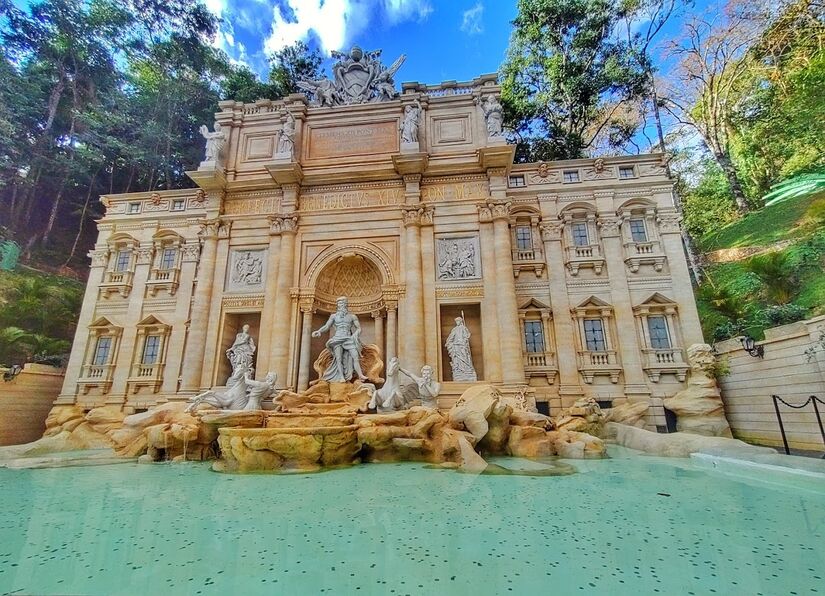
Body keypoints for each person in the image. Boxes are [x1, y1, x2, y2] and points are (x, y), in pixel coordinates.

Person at [312, 297, 368, 382]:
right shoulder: (333, 316)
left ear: (346, 304)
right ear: (337, 305)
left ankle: (360, 375)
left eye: (343, 303)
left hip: (348, 338)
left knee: (355, 356)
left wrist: (356, 333)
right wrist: (319, 331)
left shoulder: (352, 316)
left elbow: (359, 328)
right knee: (338, 358)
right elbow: (327, 326)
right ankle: (341, 376)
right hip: (337, 338)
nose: (341, 305)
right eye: (339, 304)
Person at [445, 316, 477, 381]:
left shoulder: (464, 328)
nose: (457, 322)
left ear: (461, 321)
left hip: (462, 345)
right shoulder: (454, 329)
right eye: (456, 321)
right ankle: (459, 370)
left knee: (465, 357)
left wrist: (466, 338)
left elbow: (468, 335)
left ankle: (467, 370)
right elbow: (451, 337)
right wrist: (448, 343)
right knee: (457, 359)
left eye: (458, 321)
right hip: (456, 346)